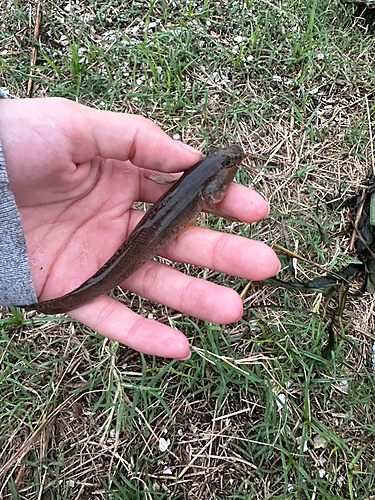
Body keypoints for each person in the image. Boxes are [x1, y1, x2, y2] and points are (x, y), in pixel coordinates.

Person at [0, 96, 280, 359]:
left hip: (152, 229)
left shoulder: (196, 184)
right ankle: (48, 305)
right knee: (108, 275)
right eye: (223, 159)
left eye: (228, 161)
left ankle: (47, 304)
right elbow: (213, 196)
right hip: (149, 233)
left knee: (109, 275)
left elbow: (209, 194)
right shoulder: (204, 190)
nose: (230, 159)